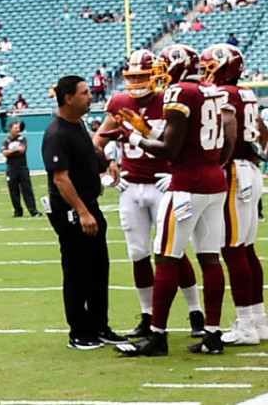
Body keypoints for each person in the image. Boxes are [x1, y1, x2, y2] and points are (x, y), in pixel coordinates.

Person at [113, 44, 236, 356]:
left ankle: (157, 335)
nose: (159, 73)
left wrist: (135, 137)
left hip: (187, 184)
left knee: (166, 256)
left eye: (162, 66)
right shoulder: (211, 90)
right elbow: (222, 140)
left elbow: (169, 149)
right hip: (213, 181)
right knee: (210, 257)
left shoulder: (179, 92)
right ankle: (212, 334)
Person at [93, 50, 206, 340]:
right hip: (130, 185)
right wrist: (110, 163)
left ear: (156, 74)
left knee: (172, 251)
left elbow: (184, 142)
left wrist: (177, 172)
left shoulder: (170, 98)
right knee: (138, 254)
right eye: (131, 77)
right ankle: (147, 316)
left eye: (142, 76)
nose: (137, 82)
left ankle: (195, 311)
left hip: (163, 184)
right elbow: (100, 138)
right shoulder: (119, 102)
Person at [44, 75, 124, 349]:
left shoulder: (76, 125)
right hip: (71, 211)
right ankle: (78, 331)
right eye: (85, 93)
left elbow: (90, 152)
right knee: (77, 270)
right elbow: (61, 178)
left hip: (89, 204)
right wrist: (82, 212)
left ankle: (99, 325)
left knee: (99, 268)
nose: (91, 97)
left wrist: (108, 162)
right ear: (68, 98)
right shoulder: (57, 133)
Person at [198, 44, 268, 344]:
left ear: (225, 67)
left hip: (235, 172)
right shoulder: (247, 94)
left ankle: (246, 326)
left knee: (232, 249)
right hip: (250, 169)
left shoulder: (224, 95)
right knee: (246, 248)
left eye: (210, 67)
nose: (205, 73)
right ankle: (258, 321)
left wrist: (220, 162)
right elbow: (264, 134)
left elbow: (228, 129)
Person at [2, 121, 39, 217]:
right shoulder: (6, 140)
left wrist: (11, 152)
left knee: (27, 190)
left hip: (22, 168)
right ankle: (18, 211)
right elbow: (4, 152)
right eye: (15, 128)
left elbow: (22, 150)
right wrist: (14, 151)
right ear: (10, 129)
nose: (17, 130)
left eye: (18, 128)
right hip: (11, 169)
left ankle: (33, 210)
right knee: (13, 191)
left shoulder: (22, 139)